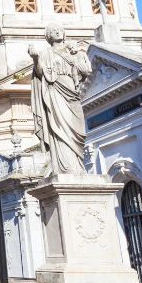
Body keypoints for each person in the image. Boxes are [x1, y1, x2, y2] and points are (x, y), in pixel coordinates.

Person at [29, 23, 92, 175]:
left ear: (64, 33)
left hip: (72, 92)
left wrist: (78, 56)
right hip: (55, 91)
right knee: (59, 128)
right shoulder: (45, 54)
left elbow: (86, 71)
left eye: (59, 30)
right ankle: (66, 167)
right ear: (48, 36)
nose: (57, 32)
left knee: (76, 129)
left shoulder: (74, 52)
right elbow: (40, 73)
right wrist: (36, 58)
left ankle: (78, 164)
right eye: (53, 31)